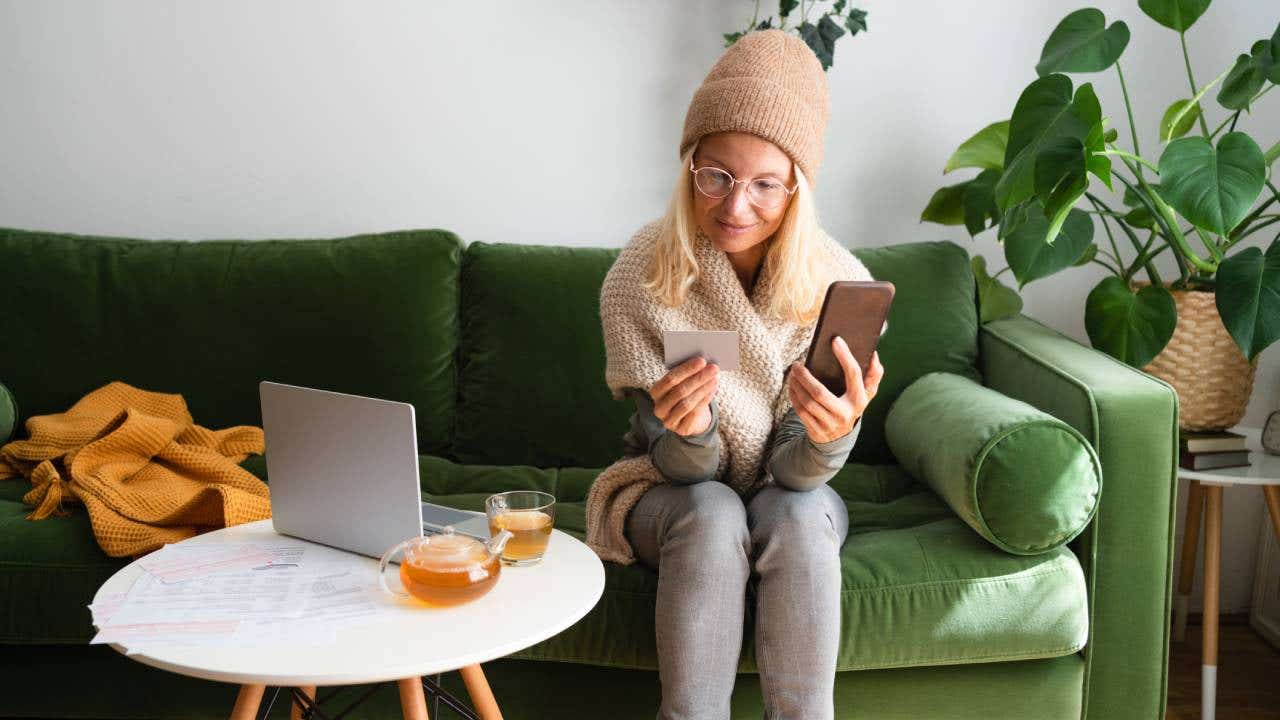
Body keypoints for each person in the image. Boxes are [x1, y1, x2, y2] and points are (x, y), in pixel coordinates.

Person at [584, 29, 885, 720]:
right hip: (672, 489)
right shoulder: (645, 274)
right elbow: (681, 469)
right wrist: (689, 432)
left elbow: (795, 474)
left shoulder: (837, 282)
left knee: (801, 513)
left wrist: (827, 439)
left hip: (792, 489)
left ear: (796, 190)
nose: (735, 205)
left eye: (765, 186)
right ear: (689, 166)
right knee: (716, 511)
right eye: (716, 175)